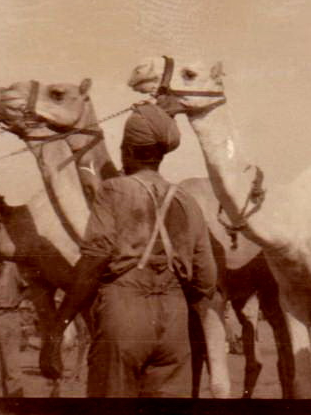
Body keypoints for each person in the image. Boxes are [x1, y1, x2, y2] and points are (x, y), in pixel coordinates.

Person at [39, 103, 217, 398]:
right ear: (160, 154)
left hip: (124, 315)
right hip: (175, 323)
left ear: (127, 150)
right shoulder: (188, 201)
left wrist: (59, 326)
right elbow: (207, 279)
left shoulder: (113, 191)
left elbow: (93, 262)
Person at [0, 258, 27, 397]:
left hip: (8, 316)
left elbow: (29, 286)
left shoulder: (13, 268)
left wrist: (17, 300)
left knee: (11, 368)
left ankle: (16, 402)